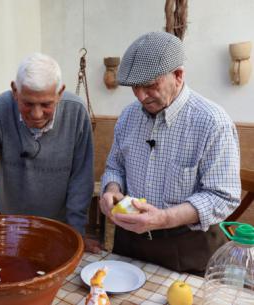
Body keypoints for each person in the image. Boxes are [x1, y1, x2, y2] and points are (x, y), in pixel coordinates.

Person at [99, 32, 241, 276]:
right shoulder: (128, 117)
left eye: (151, 86)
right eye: (135, 87)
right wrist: (111, 190)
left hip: (189, 247)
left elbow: (222, 196)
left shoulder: (212, 122)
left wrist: (163, 218)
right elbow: (115, 167)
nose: (141, 96)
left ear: (178, 75)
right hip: (130, 244)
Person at [0, 53, 100, 253]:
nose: (36, 114)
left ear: (60, 93)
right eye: (27, 103)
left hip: (58, 227)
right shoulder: (0, 109)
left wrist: (76, 234)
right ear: (15, 91)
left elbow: (81, 177)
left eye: (46, 104)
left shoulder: (76, 112)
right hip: (9, 225)